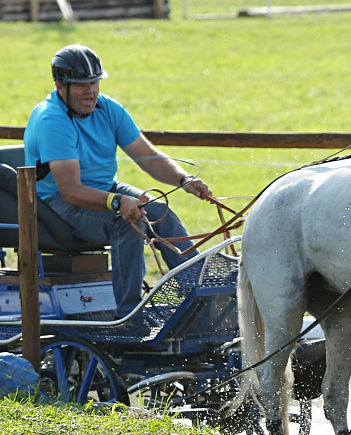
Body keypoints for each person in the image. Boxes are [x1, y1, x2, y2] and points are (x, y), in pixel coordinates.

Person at [24, 44, 213, 318]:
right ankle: (130, 315)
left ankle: (201, 295)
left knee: (159, 209)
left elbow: (147, 156)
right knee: (129, 222)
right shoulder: (52, 120)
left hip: (102, 190)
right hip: (55, 205)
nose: (90, 91)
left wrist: (183, 180)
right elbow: (71, 190)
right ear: (59, 86)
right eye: (80, 85)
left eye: (94, 83)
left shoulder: (108, 109)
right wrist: (116, 202)